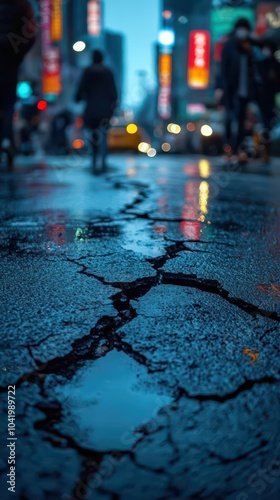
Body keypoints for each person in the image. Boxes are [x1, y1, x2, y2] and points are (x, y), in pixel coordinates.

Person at [0, 0, 36, 167]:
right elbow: (30, 31)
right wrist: (18, 54)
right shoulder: (21, 5)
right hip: (9, 59)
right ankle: (6, 140)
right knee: (8, 104)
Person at [221, 18, 261, 162]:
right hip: (231, 89)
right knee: (230, 119)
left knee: (242, 120)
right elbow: (224, 69)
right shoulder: (229, 45)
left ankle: (239, 150)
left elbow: (255, 69)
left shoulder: (250, 47)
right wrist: (222, 88)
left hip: (246, 91)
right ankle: (228, 148)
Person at [75, 49, 118, 173]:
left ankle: (94, 159)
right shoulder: (108, 72)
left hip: (92, 108)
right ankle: (103, 159)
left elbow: (80, 89)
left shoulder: (87, 72)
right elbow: (113, 93)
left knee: (94, 134)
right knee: (103, 134)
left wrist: (78, 98)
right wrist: (113, 108)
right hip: (105, 109)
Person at [257, 40, 280, 164]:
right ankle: (263, 151)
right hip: (262, 100)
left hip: (270, 100)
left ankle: (266, 151)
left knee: (267, 126)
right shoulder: (262, 65)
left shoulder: (275, 66)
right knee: (264, 126)